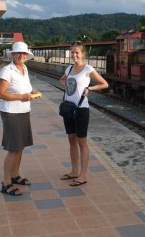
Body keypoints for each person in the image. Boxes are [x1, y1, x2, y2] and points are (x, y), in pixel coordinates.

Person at [59, 41, 108, 186]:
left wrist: (90, 89)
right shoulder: (68, 69)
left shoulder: (88, 68)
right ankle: (74, 171)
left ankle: (83, 175)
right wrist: (66, 85)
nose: (74, 55)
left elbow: (104, 84)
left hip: (81, 109)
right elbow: (62, 80)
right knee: (71, 140)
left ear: (82, 54)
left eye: (77, 52)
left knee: (82, 142)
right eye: (72, 52)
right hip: (68, 108)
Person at [0, 42, 41, 196]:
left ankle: (15, 175)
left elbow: (25, 88)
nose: (21, 56)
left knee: (20, 146)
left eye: (24, 54)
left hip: (23, 111)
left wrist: (31, 92)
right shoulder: (7, 70)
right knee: (13, 148)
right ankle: (6, 182)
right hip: (11, 113)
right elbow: (1, 93)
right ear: (13, 54)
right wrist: (22, 96)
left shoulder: (24, 68)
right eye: (18, 53)